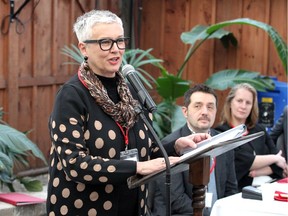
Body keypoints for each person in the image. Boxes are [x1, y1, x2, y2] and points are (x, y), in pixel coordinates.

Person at [46, 10, 210, 216]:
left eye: (120, 41)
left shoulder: (132, 90)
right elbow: (74, 165)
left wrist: (176, 145)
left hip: (133, 207)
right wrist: (136, 168)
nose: (116, 50)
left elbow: (146, 152)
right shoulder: (71, 96)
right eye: (105, 42)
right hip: (85, 209)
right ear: (83, 48)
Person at [149, 84, 238, 216]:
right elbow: (177, 200)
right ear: (185, 112)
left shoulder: (224, 141)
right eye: (198, 106)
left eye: (210, 107)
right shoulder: (170, 145)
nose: (205, 112)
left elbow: (231, 189)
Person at [215, 83, 288, 191]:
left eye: (248, 102)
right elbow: (240, 163)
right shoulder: (221, 132)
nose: (243, 106)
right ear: (230, 103)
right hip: (239, 192)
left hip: (268, 188)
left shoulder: (260, 130)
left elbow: (280, 163)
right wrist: (274, 159)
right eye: (239, 101)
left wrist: (259, 171)